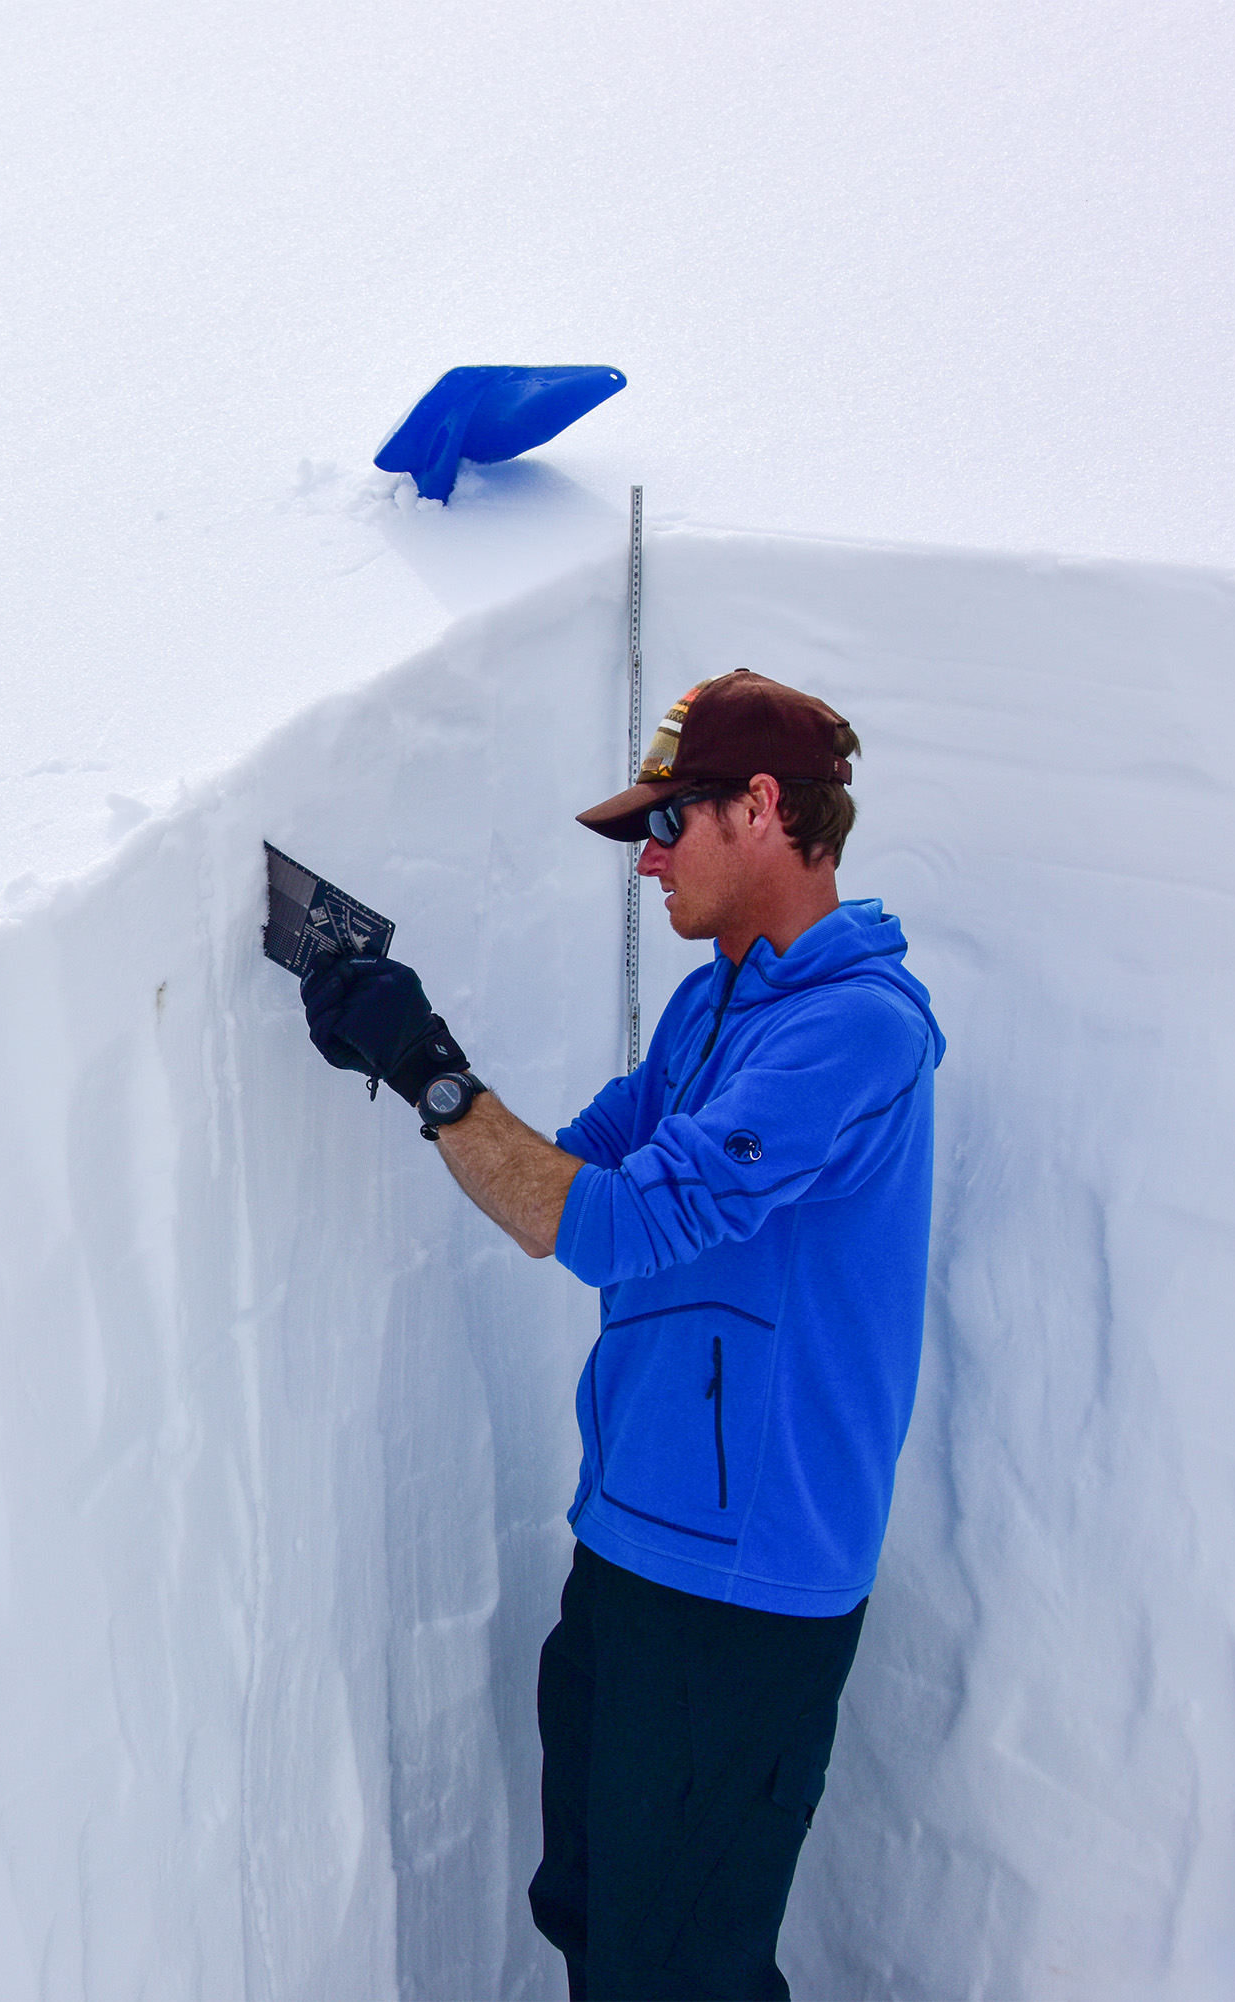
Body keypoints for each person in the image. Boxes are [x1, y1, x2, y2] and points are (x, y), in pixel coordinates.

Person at [298, 669, 944, 2000]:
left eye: (669, 823)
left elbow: (614, 1225)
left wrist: (434, 1072)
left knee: (681, 1966)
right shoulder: (713, 1011)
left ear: (761, 808)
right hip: (637, 1543)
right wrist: (414, 1056)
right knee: (593, 1907)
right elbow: (566, 1179)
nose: (647, 860)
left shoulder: (856, 1034)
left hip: (746, 1588)